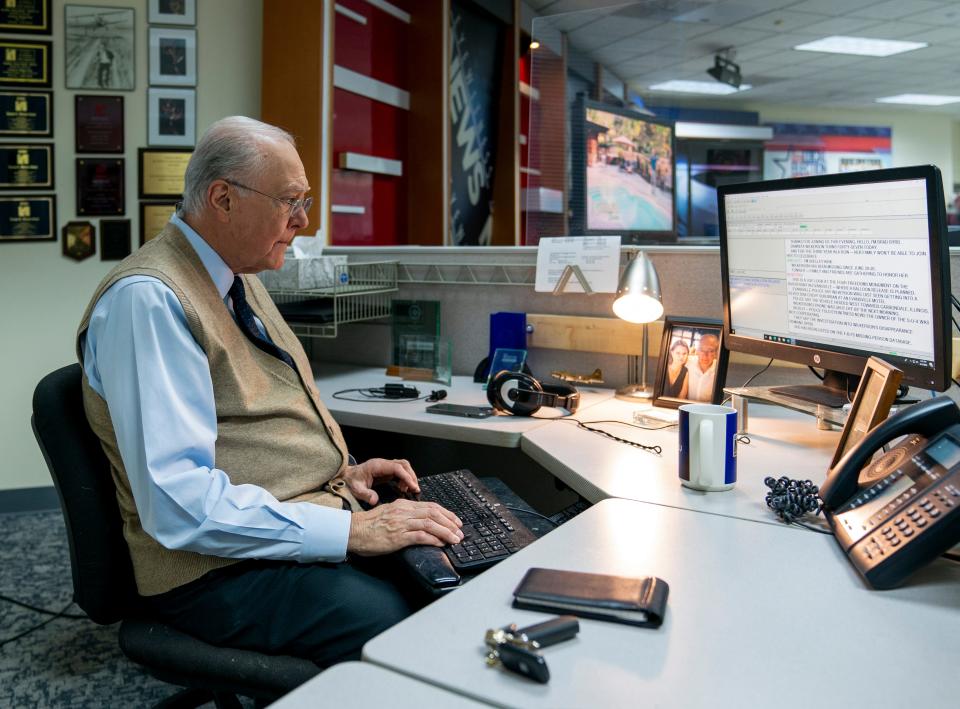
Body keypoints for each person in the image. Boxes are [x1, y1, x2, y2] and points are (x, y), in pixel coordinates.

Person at [76, 116, 463, 668]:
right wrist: (350, 528)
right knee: (407, 629)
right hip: (212, 572)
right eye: (290, 202)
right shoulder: (149, 302)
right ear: (223, 199)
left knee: (460, 563)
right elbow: (178, 505)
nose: (303, 221)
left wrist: (339, 476)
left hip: (275, 529)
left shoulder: (238, 276)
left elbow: (251, 428)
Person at [686, 333, 719, 402]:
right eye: (701, 350)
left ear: (716, 353)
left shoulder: (719, 370)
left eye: (710, 351)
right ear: (697, 351)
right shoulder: (687, 361)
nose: (705, 355)